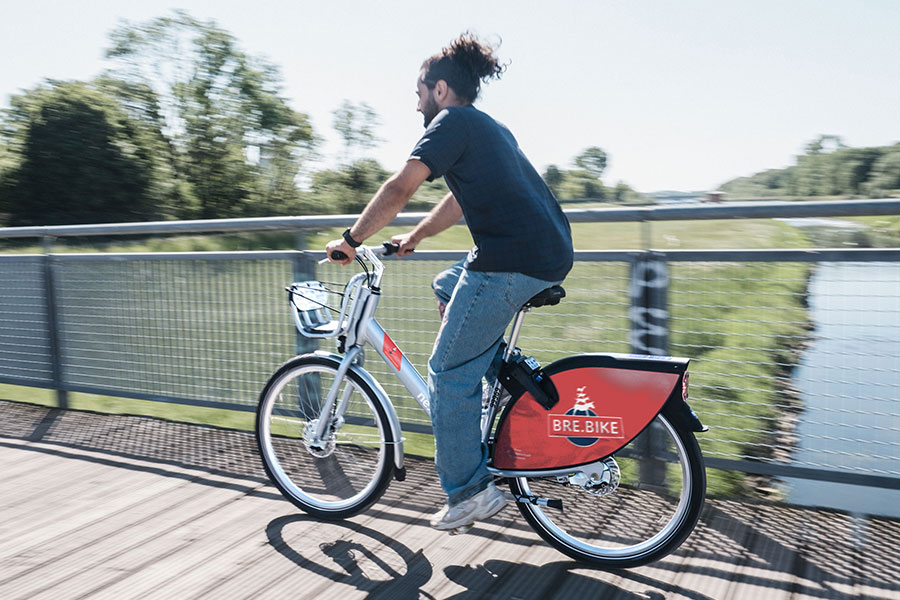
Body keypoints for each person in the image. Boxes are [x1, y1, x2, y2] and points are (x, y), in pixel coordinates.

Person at [325, 32, 573, 531]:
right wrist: (413, 236)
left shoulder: (450, 122)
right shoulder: (488, 128)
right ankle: (494, 384)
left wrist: (351, 239)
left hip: (510, 260)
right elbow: (457, 202)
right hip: (545, 252)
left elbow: (401, 185)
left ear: (440, 90)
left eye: (419, 91)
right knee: (447, 282)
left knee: (445, 374)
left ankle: (469, 492)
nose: (414, 101)